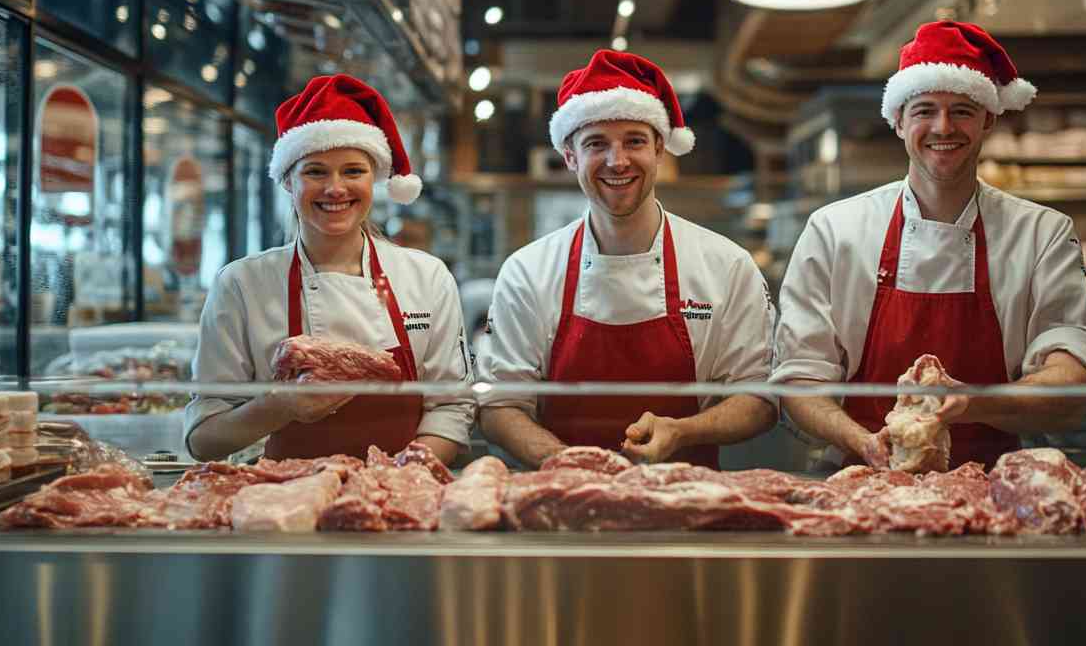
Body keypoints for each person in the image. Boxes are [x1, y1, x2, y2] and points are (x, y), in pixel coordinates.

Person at [775, 21, 1086, 470]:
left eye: (962, 110)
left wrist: (969, 403)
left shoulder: (1042, 233)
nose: (943, 127)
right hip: (860, 477)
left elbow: (1070, 388)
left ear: (988, 118)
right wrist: (865, 441)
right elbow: (800, 379)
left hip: (998, 483)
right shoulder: (835, 230)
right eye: (925, 110)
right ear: (898, 122)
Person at [478, 49, 776, 468]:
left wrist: (683, 431)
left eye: (634, 141)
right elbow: (499, 405)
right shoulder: (528, 271)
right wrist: (566, 462)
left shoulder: (725, 264)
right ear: (569, 156)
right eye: (596, 143)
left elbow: (759, 398)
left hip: (690, 503)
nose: (617, 161)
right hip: (562, 506)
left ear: (659, 148)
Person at [184, 74, 474, 464]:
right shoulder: (242, 284)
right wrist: (280, 407)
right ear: (288, 180)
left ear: (376, 179)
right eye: (316, 171)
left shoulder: (427, 276)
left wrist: (399, 483)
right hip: (282, 503)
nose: (335, 188)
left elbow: (452, 409)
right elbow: (204, 438)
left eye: (353, 171)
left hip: (402, 503)